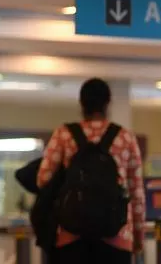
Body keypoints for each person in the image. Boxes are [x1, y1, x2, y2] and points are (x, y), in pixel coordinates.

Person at [37, 78, 145, 264]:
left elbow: (43, 179)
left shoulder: (64, 134)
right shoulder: (125, 137)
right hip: (116, 236)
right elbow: (136, 193)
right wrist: (138, 237)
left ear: (81, 103)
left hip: (71, 233)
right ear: (107, 103)